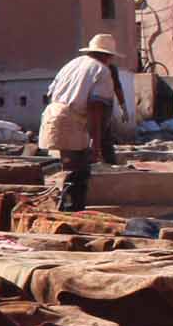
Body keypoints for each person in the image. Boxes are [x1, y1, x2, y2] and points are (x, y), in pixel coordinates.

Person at [40, 34, 128, 211]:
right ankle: (72, 211)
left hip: (53, 115)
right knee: (79, 172)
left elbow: (49, 94)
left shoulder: (72, 64)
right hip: (71, 119)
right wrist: (95, 142)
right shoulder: (101, 70)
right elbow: (96, 108)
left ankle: (66, 207)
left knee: (67, 167)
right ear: (107, 55)